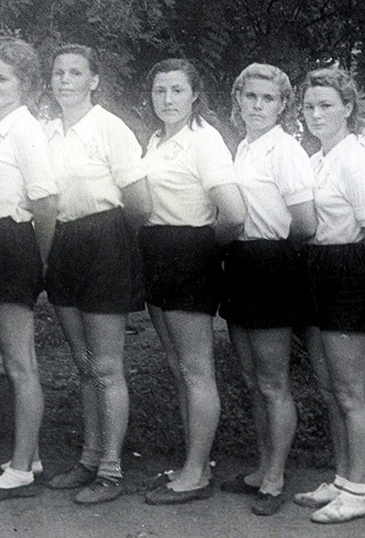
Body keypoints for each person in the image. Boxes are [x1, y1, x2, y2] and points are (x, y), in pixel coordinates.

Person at [44, 44, 151, 504]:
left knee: (107, 366)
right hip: (63, 240)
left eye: (76, 73)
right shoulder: (46, 132)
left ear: (93, 81)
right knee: (84, 364)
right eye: (59, 73)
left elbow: (141, 204)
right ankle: (88, 459)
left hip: (106, 239)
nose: (65, 80)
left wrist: (110, 241)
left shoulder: (111, 128)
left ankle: (111, 470)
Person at [138, 59, 243, 505]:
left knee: (196, 370)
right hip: (157, 250)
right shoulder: (158, 139)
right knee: (179, 367)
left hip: (188, 253)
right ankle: (190, 462)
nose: (167, 99)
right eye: (160, 91)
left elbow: (233, 214)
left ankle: (197, 473)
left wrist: (200, 248)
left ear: (195, 94)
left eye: (177, 91)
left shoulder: (206, 141)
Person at [293, 67, 365, 524]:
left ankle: (357, 492)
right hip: (318, 269)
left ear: (349, 109)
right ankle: (340, 478)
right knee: (330, 389)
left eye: (326, 105)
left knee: (352, 392)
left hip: (350, 271)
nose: (316, 114)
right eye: (310, 106)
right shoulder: (317, 160)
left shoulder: (356, 160)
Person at [0, 37, 57, 501]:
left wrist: (37, 261)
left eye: (3, 78)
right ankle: (30, 457)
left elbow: (45, 203)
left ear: (25, 83)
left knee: (20, 364)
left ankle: (21, 472)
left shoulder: (26, 130)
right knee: (8, 356)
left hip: (11, 242)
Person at [219, 63, 316, 516]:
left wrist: (276, 256)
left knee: (274, 382)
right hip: (240, 262)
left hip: (272, 263)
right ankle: (261, 468)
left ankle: (275, 478)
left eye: (268, 99)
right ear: (238, 99)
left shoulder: (286, 151)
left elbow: (307, 223)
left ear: (282, 106)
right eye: (251, 96)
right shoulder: (243, 147)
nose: (258, 106)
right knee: (251, 378)